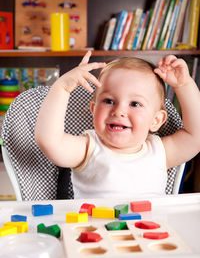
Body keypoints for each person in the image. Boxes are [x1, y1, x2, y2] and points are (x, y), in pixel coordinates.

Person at [35, 51, 200, 198]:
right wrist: (61, 88)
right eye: (109, 101)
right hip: (96, 230)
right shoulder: (88, 148)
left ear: (156, 120)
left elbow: (196, 136)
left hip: (150, 231)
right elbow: (50, 141)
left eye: (134, 104)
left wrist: (184, 85)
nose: (119, 111)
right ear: (94, 109)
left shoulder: (159, 151)